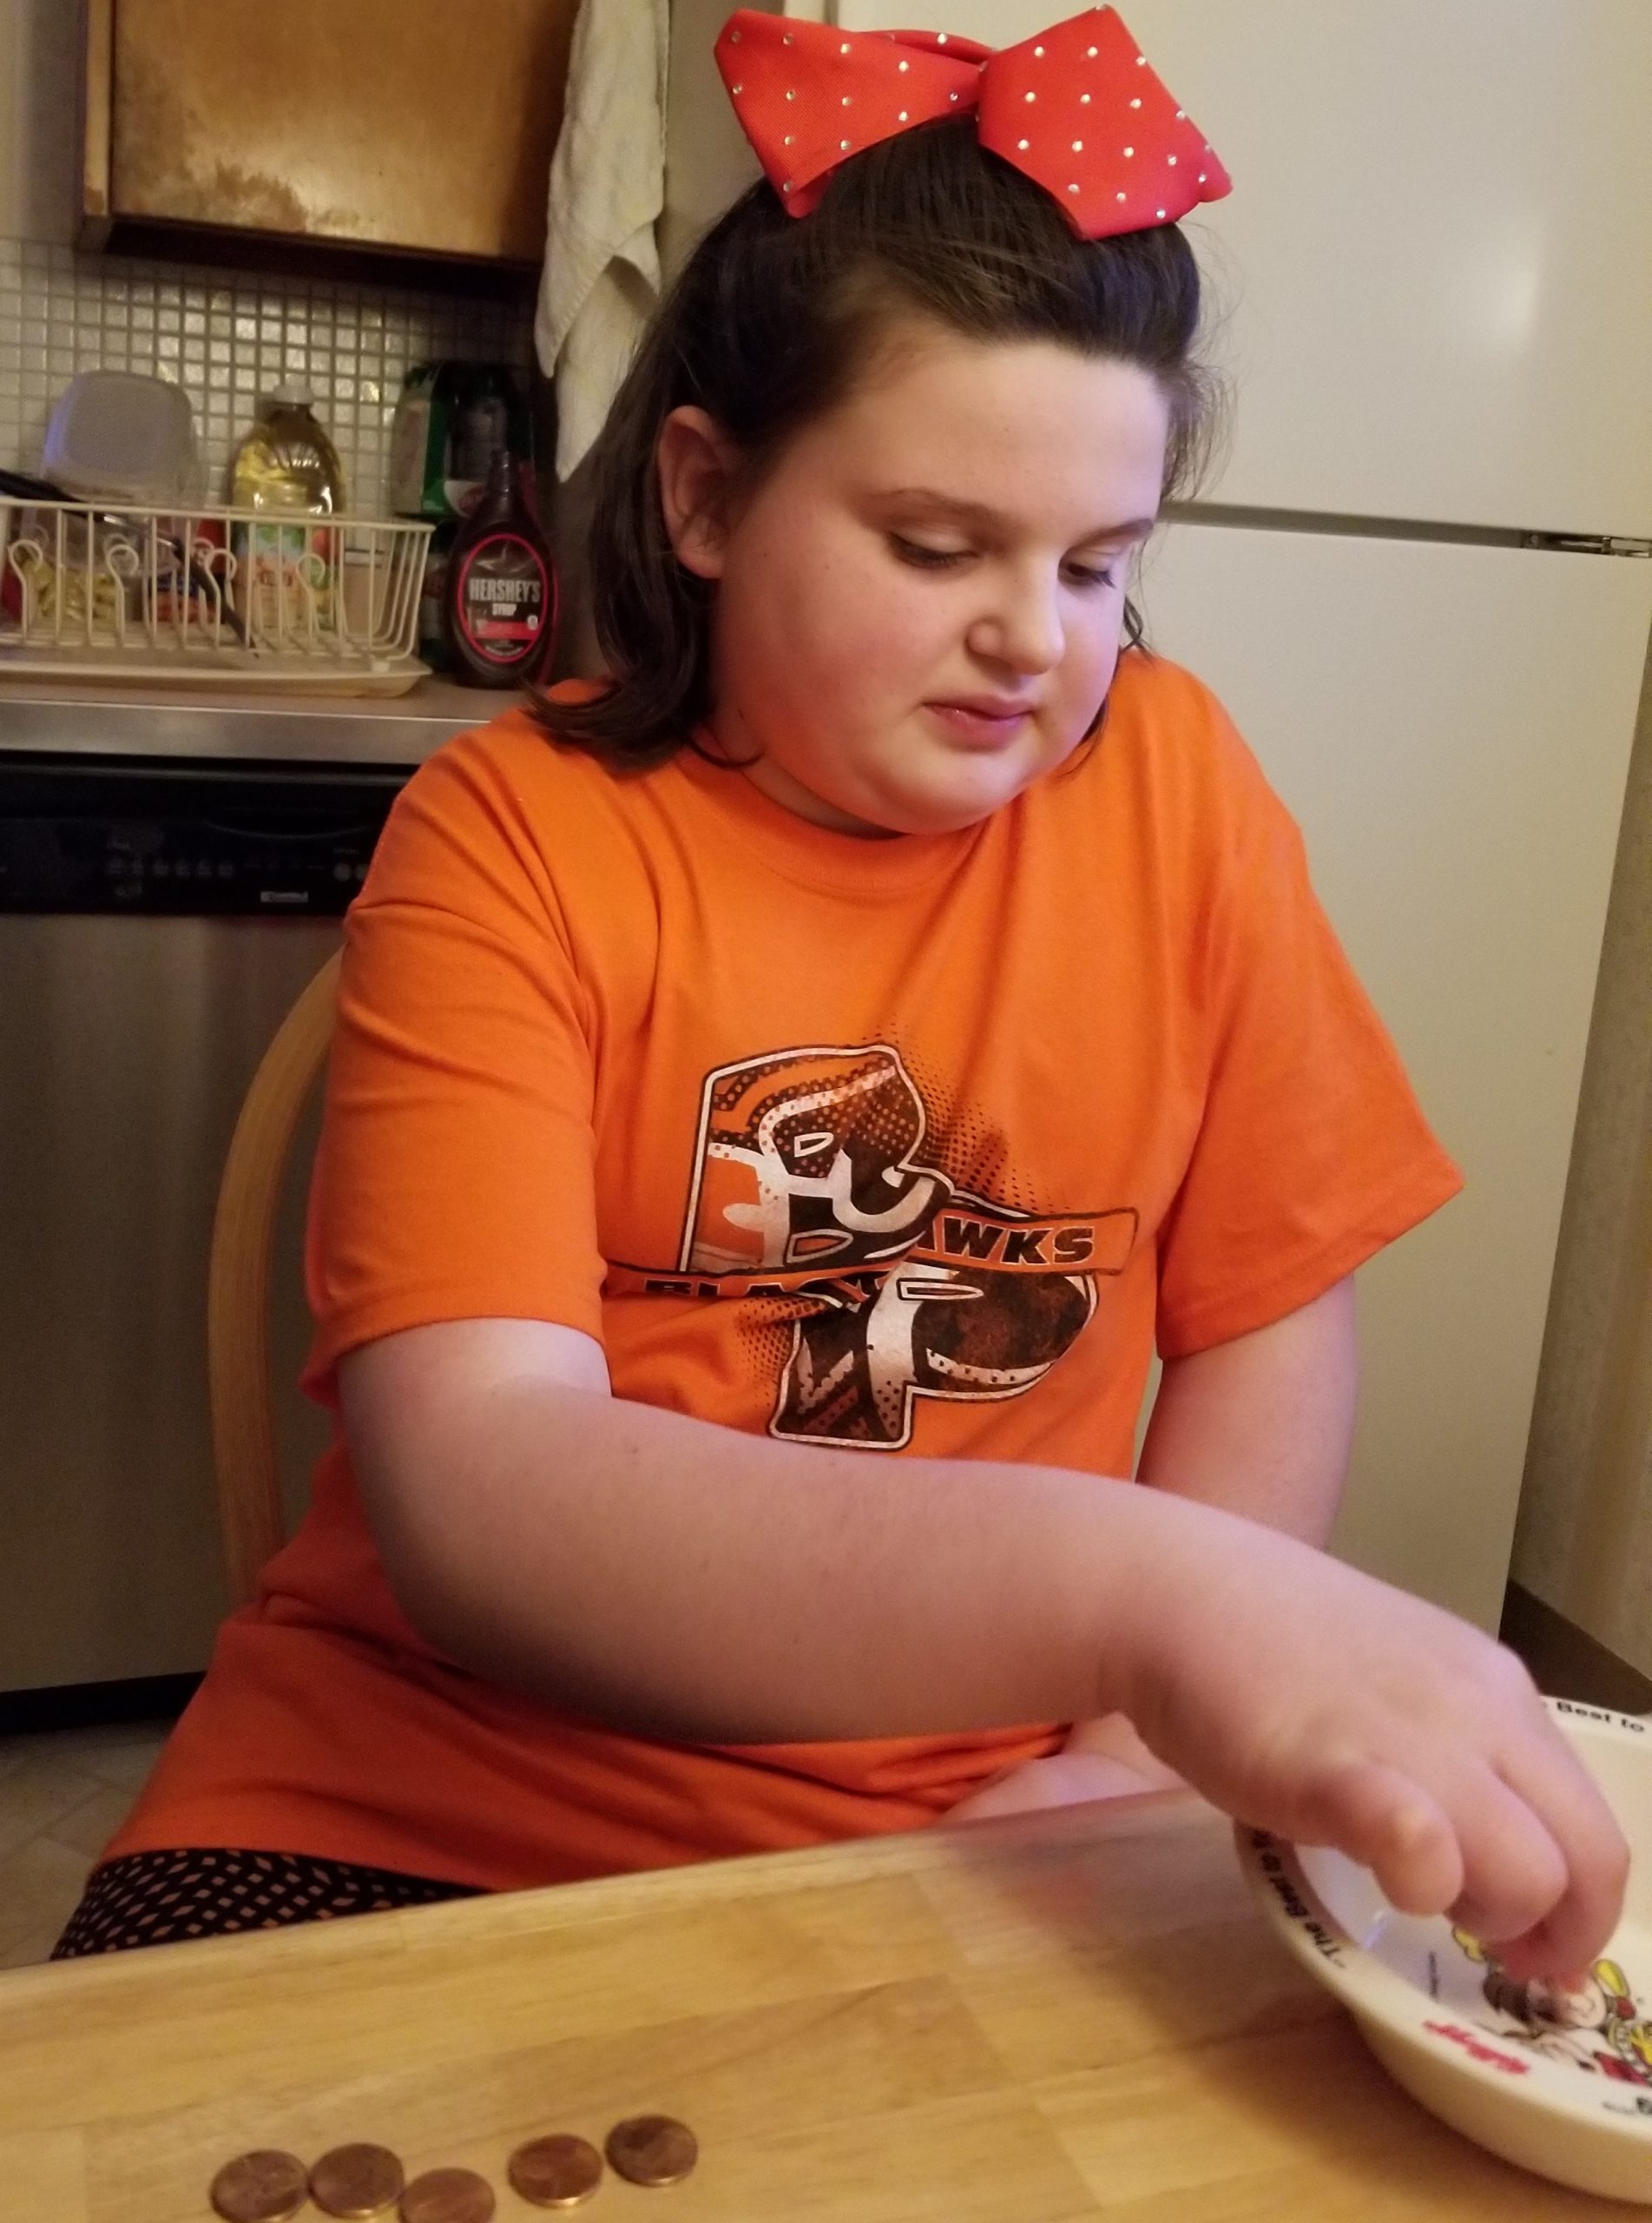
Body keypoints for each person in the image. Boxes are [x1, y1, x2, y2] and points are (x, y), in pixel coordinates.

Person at [57, 6, 1625, 1971]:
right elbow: (486, 1494)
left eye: (1095, 565)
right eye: (934, 542)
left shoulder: (1178, 779)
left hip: (989, 1817)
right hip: (422, 1799)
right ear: (705, 500)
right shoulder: (509, 835)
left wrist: (1129, 1730)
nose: (1027, 640)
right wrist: (1145, 1592)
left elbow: (1270, 1308)